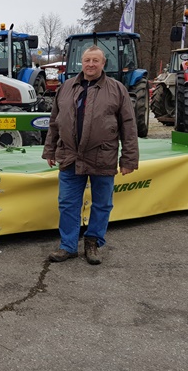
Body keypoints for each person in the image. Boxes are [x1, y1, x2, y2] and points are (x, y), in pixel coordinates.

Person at [41, 45, 139, 265]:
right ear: (81, 63)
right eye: (87, 60)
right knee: (67, 203)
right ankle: (68, 246)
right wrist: (50, 150)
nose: (91, 64)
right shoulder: (66, 87)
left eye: (96, 60)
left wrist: (129, 159)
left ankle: (93, 242)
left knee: (102, 204)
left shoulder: (117, 89)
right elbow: (55, 122)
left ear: (103, 63)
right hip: (70, 155)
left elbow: (128, 126)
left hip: (102, 156)